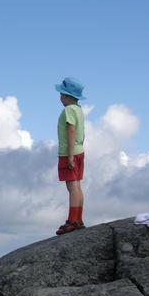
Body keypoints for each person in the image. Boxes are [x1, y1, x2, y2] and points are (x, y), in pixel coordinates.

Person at [55, 77, 86, 235]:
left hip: (70, 152)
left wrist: (70, 156)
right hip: (80, 150)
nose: (60, 97)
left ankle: (72, 221)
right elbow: (82, 131)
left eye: (61, 94)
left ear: (67, 96)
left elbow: (71, 129)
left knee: (72, 186)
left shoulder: (68, 110)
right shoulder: (79, 110)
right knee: (77, 186)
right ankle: (78, 219)